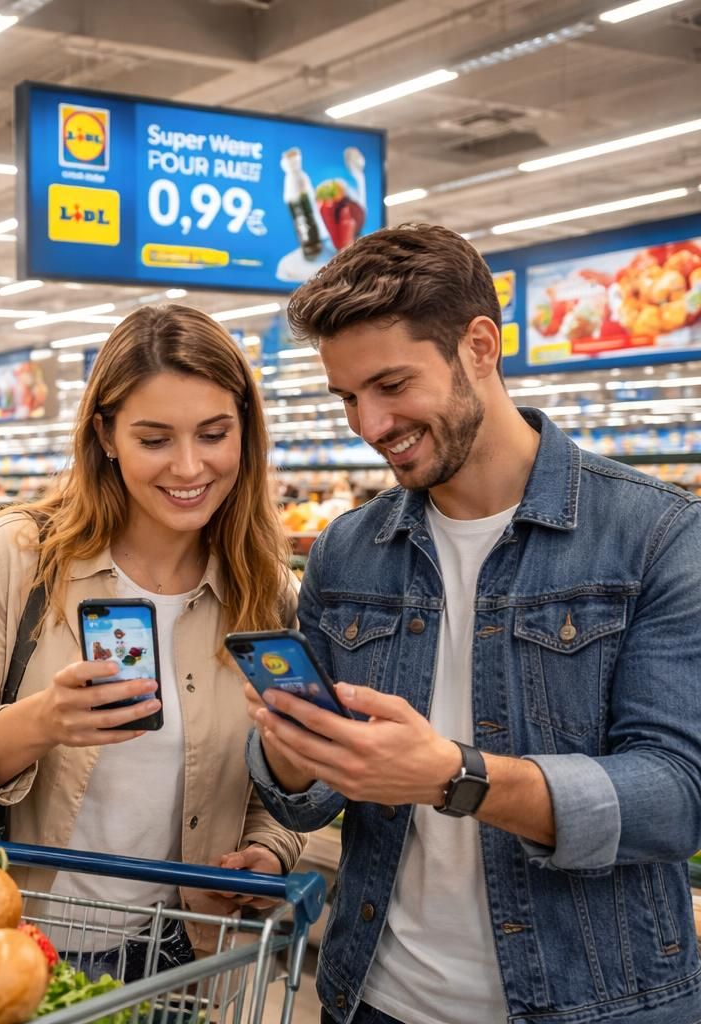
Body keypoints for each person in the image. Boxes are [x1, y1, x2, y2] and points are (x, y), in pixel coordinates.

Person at [244, 224, 701, 1024]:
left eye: (391, 384)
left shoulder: (655, 535)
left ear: (480, 347)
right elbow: (306, 805)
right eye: (348, 397)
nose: (369, 425)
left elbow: (675, 797)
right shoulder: (347, 551)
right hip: (374, 998)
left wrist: (455, 777)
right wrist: (290, 752)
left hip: (595, 1003)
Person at [0, 305, 305, 971]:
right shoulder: (21, 557)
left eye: (213, 434)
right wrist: (39, 722)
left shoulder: (265, 593)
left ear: (245, 433)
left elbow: (269, 783)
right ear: (106, 435)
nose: (189, 466)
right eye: (154, 439)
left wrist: (267, 850)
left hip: (178, 955)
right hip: (6, 954)